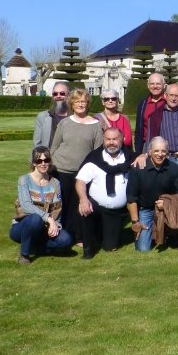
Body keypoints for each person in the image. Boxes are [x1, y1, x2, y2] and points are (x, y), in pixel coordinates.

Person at [50, 89, 104, 243]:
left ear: (88, 104)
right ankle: (64, 235)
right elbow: (54, 147)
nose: (81, 104)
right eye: (77, 101)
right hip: (61, 170)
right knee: (63, 205)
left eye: (84, 101)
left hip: (83, 174)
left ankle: (80, 236)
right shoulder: (64, 123)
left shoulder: (95, 125)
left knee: (80, 205)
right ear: (72, 104)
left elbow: (97, 152)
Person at [126, 136, 178, 253]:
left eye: (163, 151)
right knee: (143, 249)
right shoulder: (138, 169)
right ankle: (156, 231)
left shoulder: (173, 168)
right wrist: (135, 222)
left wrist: (168, 204)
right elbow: (131, 198)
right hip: (146, 210)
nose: (160, 154)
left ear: (167, 153)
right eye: (156, 151)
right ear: (149, 152)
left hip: (167, 208)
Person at [75, 127, 133, 259]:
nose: (111, 142)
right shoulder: (94, 158)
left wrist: (143, 155)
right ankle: (88, 249)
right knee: (84, 209)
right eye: (108, 139)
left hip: (117, 212)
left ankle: (103, 235)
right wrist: (83, 199)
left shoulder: (129, 157)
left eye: (115, 139)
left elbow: (145, 156)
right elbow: (80, 181)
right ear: (103, 140)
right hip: (96, 206)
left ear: (122, 140)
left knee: (110, 246)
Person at [10, 146, 73, 264]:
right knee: (35, 219)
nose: (43, 164)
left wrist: (55, 225)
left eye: (46, 160)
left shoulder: (55, 183)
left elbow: (58, 208)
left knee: (66, 240)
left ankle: (35, 247)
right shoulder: (24, 180)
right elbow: (26, 206)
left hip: (45, 228)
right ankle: (24, 254)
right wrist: (48, 218)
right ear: (34, 163)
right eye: (39, 161)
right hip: (23, 226)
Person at [134, 73, 166, 154]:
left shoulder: (169, 102)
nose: (155, 86)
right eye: (152, 84)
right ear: (148, 86)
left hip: (166, 145)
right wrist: (138, 151)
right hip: (147, 146)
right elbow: (138, 129)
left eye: (158, 83)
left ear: (164, 86)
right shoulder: (142, 103)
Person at [33, 82, 69, 148]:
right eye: (55, 94)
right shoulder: (42, 117)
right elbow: (37, 144)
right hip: (49, 156)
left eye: (62, 93)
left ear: (68, 96)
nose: (58, 96)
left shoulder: (74, 117)